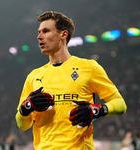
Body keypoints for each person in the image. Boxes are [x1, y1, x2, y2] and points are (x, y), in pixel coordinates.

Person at [15, 11, 127, 150]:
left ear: (63, 34)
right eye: (39, 32)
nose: (39, 36)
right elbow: (22, 125)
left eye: (46, 31)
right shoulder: (34, 76)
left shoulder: (89, 67)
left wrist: (98, 110)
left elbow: (120, 104)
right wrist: (26, 107)